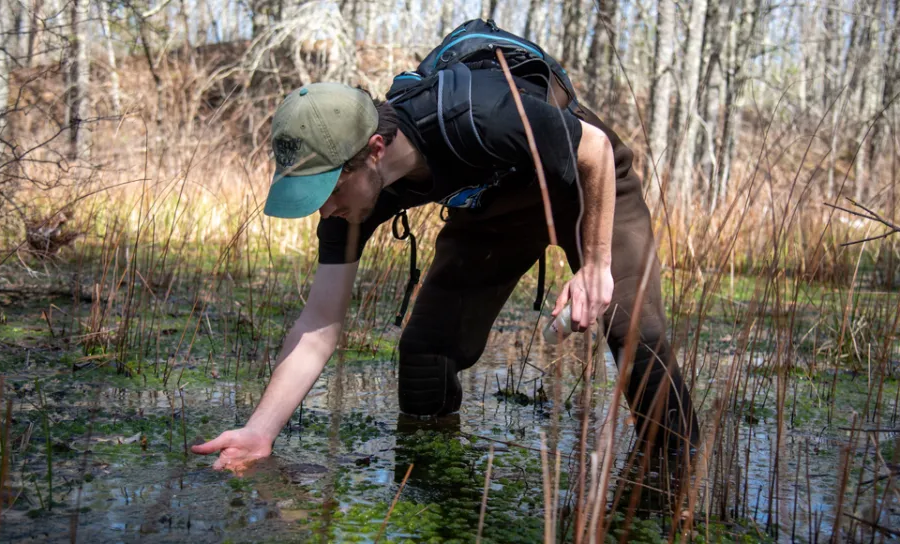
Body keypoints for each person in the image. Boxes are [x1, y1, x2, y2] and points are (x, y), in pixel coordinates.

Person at [192, 30, 700, 474]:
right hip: (491, 212)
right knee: (425, 355)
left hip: (586, 189)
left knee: (635, 335)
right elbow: (318, 323)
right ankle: (435, 490)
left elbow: (595, 151)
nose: (324, 212)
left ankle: (674, 480)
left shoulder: (481, 115)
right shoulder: (349, 207)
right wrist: (259, 432)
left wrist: (595, 266)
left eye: (327, 193)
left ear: (373, 150)